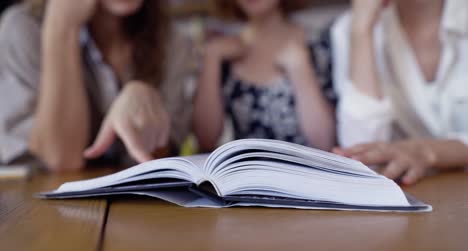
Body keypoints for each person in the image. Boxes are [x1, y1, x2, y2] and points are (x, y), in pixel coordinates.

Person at [0, 0, 191, 171]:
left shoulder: (170, 38)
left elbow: (162, 160)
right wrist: (62, 27)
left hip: (136, 204)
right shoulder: (23, 28)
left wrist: (146, 101)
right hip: (36, 203)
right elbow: (60, 159)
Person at [331, 0, 468, 185]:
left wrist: (426, 151)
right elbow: (362, 161)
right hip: (428, 195)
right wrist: (362, 29)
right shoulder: (350, 28)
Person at [193, 0, 336, 152]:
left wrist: (300, 70)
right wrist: (211, 57)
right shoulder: (222, 54)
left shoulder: (318, 44)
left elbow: (325, 144)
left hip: (308, 172)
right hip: (245, 173)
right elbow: (205, 141)